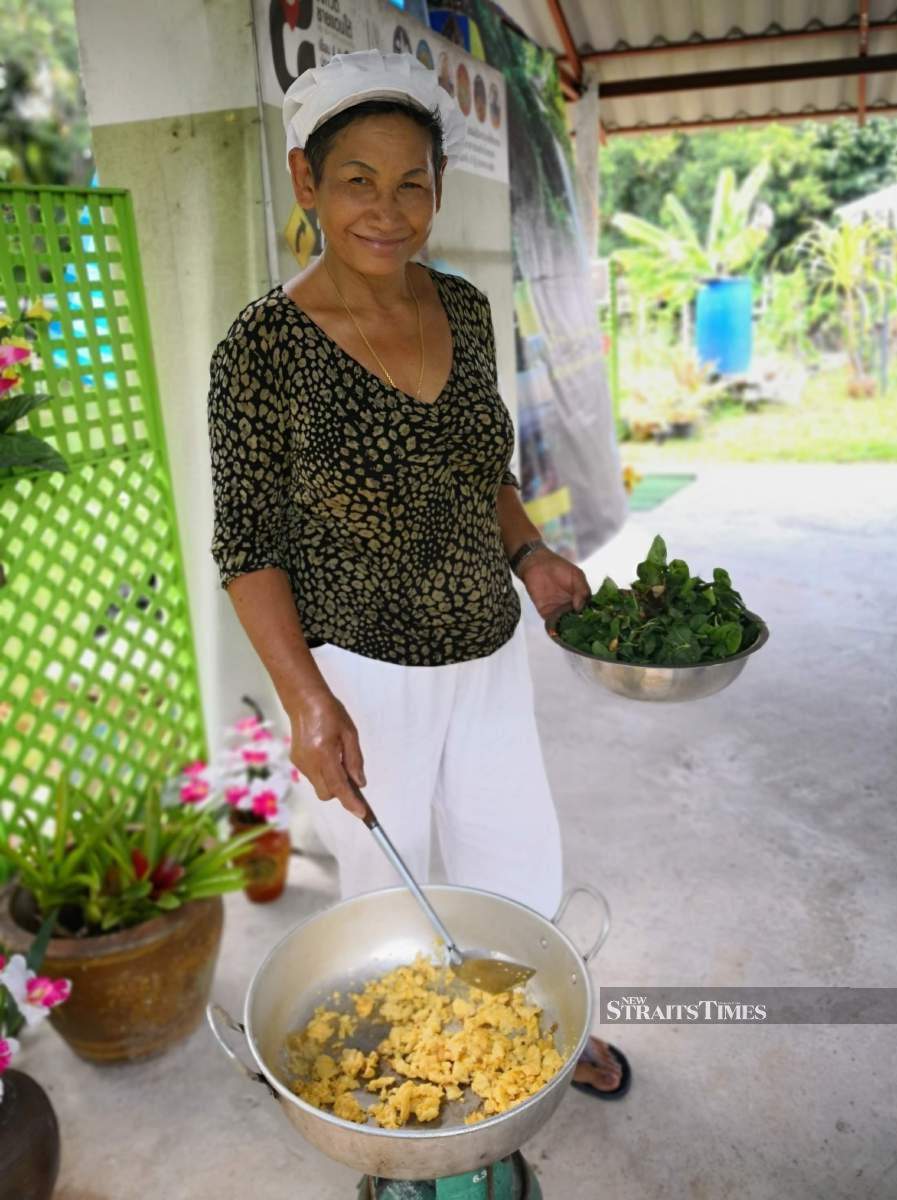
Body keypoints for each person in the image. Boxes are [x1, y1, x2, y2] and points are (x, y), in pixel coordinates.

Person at [207, 49, 629, 1101]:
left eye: (412, 184)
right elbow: (246, 546)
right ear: (307, 181)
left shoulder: (464, 308)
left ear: (438, 190)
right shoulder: (260, 348)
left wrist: (528, 554)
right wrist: (307, 702)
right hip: (362, 673)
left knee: (517, 859)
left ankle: (529, 1024)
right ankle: (409, 1068)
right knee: (392, 888)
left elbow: (480, 470)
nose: (387, 211)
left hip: (484, 650)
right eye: (358, 181)